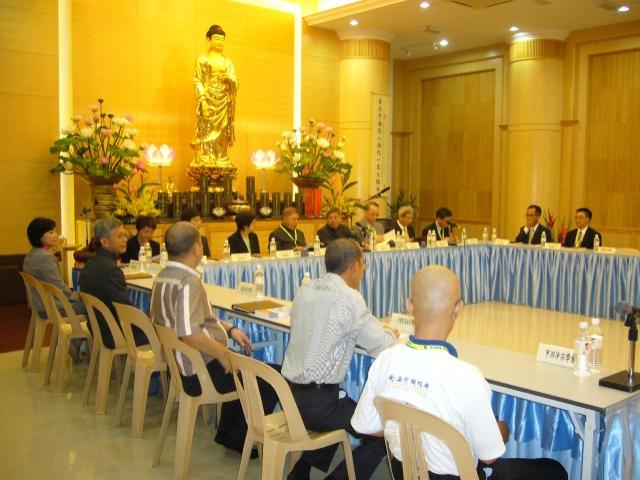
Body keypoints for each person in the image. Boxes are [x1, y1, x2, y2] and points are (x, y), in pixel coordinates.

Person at [352, 265, 567, 480]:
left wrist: (405, 431)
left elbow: (364, 425)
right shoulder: (467, 377)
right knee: (553, 470)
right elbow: (489, 456)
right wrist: (501, 430)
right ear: (458, 308)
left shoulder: (385, 360)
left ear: (409, 306)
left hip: (405, 474)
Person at [150, 222, 277, 454]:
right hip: (199, 371)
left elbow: (194, 319)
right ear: (197, 248)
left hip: (180, 367)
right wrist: (223, 354)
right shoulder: (188, 282)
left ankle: (230, 434)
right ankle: (241, 440)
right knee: (270, 377)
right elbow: (189, 332)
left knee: (246, 368)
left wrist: (228, 329)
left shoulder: (163, 276)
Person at [282, 238, 397, 480]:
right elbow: (381, 346)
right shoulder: (350, 298)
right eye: (363, 265)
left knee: (344, 408)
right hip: (319, 405)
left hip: (290, 396)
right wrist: (391, 334)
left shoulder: (306, 289)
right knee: (384, 434)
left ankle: (299, 473)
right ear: (354, 266)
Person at [79, 217, 147, 348]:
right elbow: (125, 309)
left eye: (125, 235)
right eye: (120, 236)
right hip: (113, 332)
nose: (125, 239)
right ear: (105, 241)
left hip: (98, 327)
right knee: (166, 333)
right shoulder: (110, 269)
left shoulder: (91, 263)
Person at [191, 24, 238, 168]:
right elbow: (197, 80)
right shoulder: (203, 59)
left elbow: (235, 80)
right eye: (217, 38)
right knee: (207, 129)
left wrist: (229, 79)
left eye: (222, 39)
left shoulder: (227, 62)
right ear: (208, 39)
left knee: (222, 129)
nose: (220, 42)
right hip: (208, 98)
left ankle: (221, 156)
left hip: (223, 100)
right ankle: (206, 156)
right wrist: (203, 100)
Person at [23, 217, 84, 315]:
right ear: (39, 236)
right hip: (52, 306)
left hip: (39, 304)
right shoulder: (45, 258)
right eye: (51, 232)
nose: (56, 235)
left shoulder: (31, 254)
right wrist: (77, 297)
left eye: (55, 232)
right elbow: (58, 287)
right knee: (93, 306)